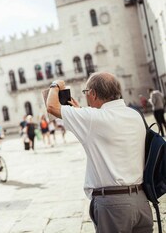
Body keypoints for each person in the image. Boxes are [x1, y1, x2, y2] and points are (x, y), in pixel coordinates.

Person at [47, 72, 153, 232]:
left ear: (93, 94)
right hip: (141, 201)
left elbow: (52, 107)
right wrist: (81, 112)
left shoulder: (92, 119)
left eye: (86, 92)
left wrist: (55, 84)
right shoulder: (134, 115)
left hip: (113, 205)